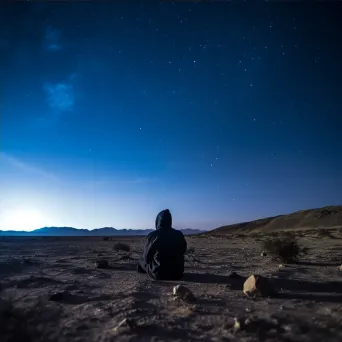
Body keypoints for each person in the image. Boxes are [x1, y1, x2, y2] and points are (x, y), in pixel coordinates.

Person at [137, 209, 187, 280]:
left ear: (158, 221)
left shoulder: (153, 235)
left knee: (141, 261)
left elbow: (146, 258)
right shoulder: (179, 234)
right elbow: (183, 250)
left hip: (159, 274)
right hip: (178, 274)